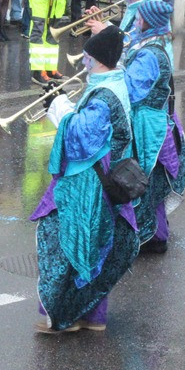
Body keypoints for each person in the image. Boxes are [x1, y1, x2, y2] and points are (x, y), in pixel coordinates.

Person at [33, 25, 139, 333]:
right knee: (97, 245)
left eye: (87, 59)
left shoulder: (105, 94)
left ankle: (61, 315)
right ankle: (92, 316)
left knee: (65, 241)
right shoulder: (113, 81)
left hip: (90, 184)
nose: (83, 64)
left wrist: (59, 106)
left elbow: (82, 136)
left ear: (99, 60)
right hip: (102, 179)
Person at [122, 0, 185, 254]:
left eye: (139, 19)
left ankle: (151, 237)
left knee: (143, 178)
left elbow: (132, 90)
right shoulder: (156, 45)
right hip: (158, 122)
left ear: (148, 22)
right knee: (154, 180)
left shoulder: (149, 54)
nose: (136, 22)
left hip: (149, 126)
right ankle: (157, 232)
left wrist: (114, 68)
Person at [87, 0, 173, 62]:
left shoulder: (152, 12)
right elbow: (125, 34)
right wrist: (103, 22)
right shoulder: (135, 5)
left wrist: (104, 32)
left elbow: (130, 45)